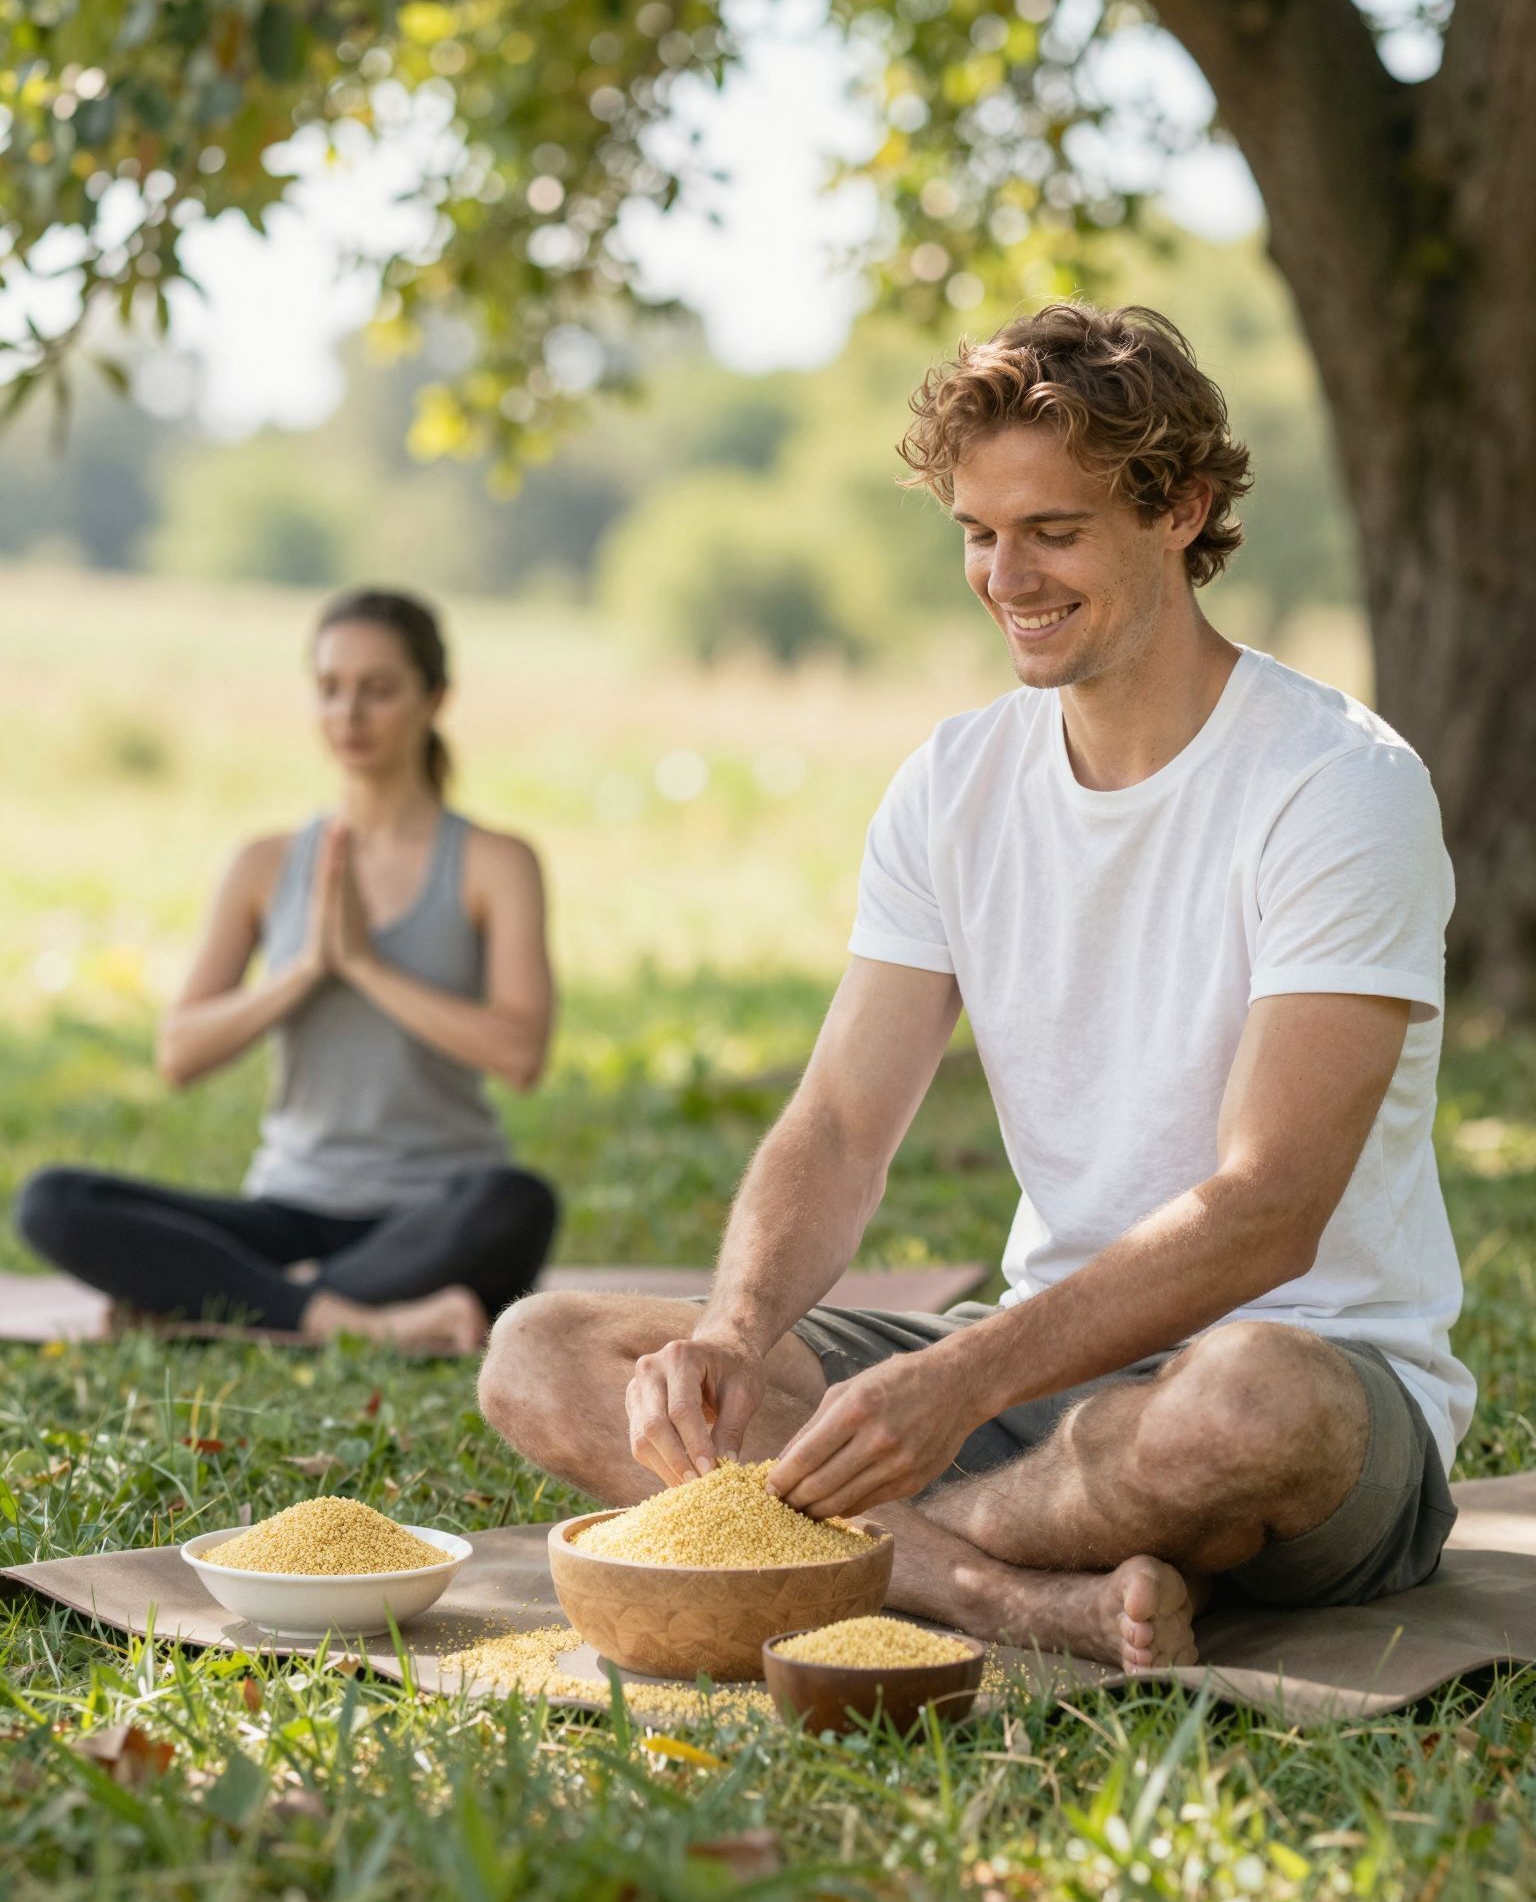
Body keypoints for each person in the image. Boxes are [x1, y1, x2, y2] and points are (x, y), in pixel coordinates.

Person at [477, 302, 1474, 1671]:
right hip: (1031, 1378)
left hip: (1287, 1373)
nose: (1006, 575)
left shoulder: (1337, 786)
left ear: (1181, 510)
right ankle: (998, 1595)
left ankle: (858, 1543)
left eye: (1052, 531)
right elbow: (837, 1126)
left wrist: (958, 1381)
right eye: (977, 533)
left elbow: (1267, 1215)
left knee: (1243, 1410)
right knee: (545, 1351)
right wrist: (730, 1332)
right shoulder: (957, 783)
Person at [16, 587, 557, 1354]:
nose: (350, 714)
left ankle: (230, 1306)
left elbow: (521, 1053)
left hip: (437, 1210)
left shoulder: (495, 864)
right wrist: (304, 970)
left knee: (520, 1203)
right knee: (53, 1201)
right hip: (288, 1207)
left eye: (379, 690)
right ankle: (356, 1317)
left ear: (435, 698)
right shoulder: (265, 865)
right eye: (330, 689)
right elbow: (179, 1053)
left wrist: (367, 967)